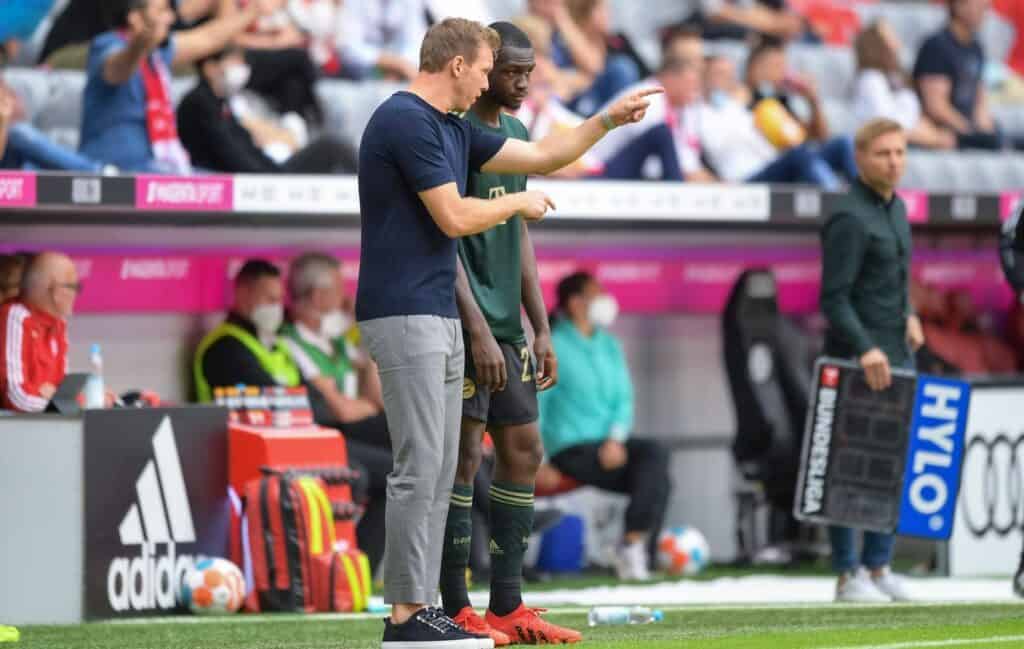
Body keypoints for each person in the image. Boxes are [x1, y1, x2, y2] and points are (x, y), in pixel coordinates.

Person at [356, 16, 659, 647]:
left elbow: (544, 156)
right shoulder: (406, 119)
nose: (490, 82)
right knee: (421, 467)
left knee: (440, 467)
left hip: (435, 312)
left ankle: (430, 611)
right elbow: (452, 214)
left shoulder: (450, 126)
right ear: (458, 66)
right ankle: (407, 617)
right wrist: (516, 203)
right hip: (406, 309)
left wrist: (607, 119)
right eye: (486, 70)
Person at [436, 22, 579, 647]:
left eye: (529, 73)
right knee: (464, 458)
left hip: (508, 329)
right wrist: (477, 331)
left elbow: (517, 231)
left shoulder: (516, 136)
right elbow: (445, 235)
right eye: (511, 71)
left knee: (524, 450)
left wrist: (539, 326)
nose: (521, 83)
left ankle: (508, 606)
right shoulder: (457, 134)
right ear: (485, 67)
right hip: (464, 325)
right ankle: (455, 606)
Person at [819, 118, 925, 603]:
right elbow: (834, 298)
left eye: (900, 152)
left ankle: (879, 566)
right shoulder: (849, 217)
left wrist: (910, 314)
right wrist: (865, 347)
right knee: (850, 467)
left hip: (899, 353)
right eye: (883, 153)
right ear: (860, 158)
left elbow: (893, 279)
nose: (894, 162)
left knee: (890, 465)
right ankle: (848, 573)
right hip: (860, 360)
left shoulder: (897, 207)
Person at [537, 271, 671, 582]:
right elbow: (537, 406)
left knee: (656, 464)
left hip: (609, 448)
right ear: (575, 303)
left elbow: (624, 399)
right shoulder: (553, 346)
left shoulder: (609, 344)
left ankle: (633, 547)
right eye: (596, 293)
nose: (605, 299)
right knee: (656, 472)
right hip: (570, 449)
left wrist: (615, 440)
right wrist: (539, 460)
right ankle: (635, 550)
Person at [280, 252, 392, 570]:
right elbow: (342, 411)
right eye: (340, 291)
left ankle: (364, 569)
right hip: (322, 438)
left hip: (352, 433)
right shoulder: (292, 344)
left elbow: (377, 400)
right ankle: (354, 567)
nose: (345, 301)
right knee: (393, 472)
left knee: (413, 457)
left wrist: (368, 342)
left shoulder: (337, 342)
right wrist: (364, 407)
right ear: (318, 296)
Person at [79, 0, 271, 173]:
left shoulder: (157, 54)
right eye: (162, 10)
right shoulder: (106, 45)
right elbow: (117, 69)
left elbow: (208, 38)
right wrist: (138, 46)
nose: (171, 18)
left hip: (159, 168)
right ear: (135, 18)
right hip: (114, 169)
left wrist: (254, 11)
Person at [176, 44, 357, 173]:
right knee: (331, 147)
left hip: (265, 171)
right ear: (210, 68)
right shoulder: (200, 103)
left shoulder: (221, 101)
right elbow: (231, 155)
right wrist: (269, 176)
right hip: (246, 180)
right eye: (234, 61)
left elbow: (245, 146)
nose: (241, 67)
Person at [588, 53, 714, 182]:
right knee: (661, 133)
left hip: (628, 171)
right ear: (670, 77)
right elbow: (656, 163)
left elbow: (688, 159)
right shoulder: (648, 98)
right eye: (692, 84)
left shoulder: (682, 107)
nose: (695, 91)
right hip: (599, 169)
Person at [744, 38, 857, 181]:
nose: (782, 73)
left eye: (783, 66)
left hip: (795, 163)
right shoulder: (744, 99)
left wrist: (813, 101)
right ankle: (835, 195)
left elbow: (819, 139)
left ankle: (864, 193)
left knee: (843, 143)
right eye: (775, 66)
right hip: (763, 172)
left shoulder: (780, 102)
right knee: (801, 155)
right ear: (754, 69)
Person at [913, 0, 1019, 151]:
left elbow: (979, 94)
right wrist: (969, 129)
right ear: (958, 6)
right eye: (979, 6)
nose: (984, 13)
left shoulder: (976, 47)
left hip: (969, 128)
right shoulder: (937, 46)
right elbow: (935, 106)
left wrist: (984, 125)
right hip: (946, 132)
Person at [852, 20, 956, 150]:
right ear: (876, 44)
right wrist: (934, 139)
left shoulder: (896, 77)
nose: (896, 41)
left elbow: (913, 118)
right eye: (889, 36)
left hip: (908, 145)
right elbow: (883, 126)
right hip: (885, 147)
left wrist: (936, 135)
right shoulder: (870, 79)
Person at [0, 252, 78, 413]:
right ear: (53, 289)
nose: (76, 294)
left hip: (45, 423)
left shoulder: (59, 323)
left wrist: (69, 400)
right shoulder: (15, 316)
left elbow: (62, 392)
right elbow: (15, 397)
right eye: (73, 287)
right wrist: (58, 404)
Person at [340, 0, 428, 81]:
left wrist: (403, 67)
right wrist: (395, 64)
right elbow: (349, 47)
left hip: (401, 74)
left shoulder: (412, 2)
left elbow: (417, 41)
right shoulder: (354, 2)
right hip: (358, 75)